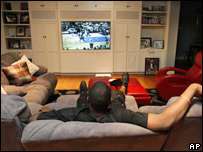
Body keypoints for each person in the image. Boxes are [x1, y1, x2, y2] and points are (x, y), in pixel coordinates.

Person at [29, 73, 202, 131]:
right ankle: (123, 87)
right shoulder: (122, 114)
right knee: (122, 97)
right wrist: (193, 88)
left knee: (79, 101)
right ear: (109, 101)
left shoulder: (71, 114)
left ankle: (82, 92)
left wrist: (45, 109)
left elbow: (33, 117)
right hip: (116, 105)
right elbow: (165, 121)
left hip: (81, 109)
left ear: (90, 100)